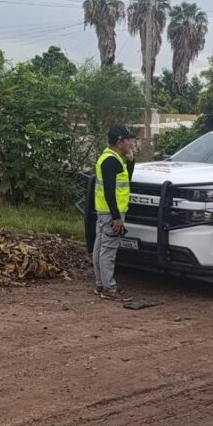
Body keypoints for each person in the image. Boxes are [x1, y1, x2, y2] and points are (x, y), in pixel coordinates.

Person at [92, 125, 137, 302]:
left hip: (104, 210)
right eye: (128, 140)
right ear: (120, 141)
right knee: (108, 250)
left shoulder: (111, 158)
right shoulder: (111, 161)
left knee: (100, 247)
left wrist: (131, 161)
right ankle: (109, 288)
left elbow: (125, 181)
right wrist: (117, 217)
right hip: (112, 212)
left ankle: (100, 284)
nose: (131, 143)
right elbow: (110, 191)